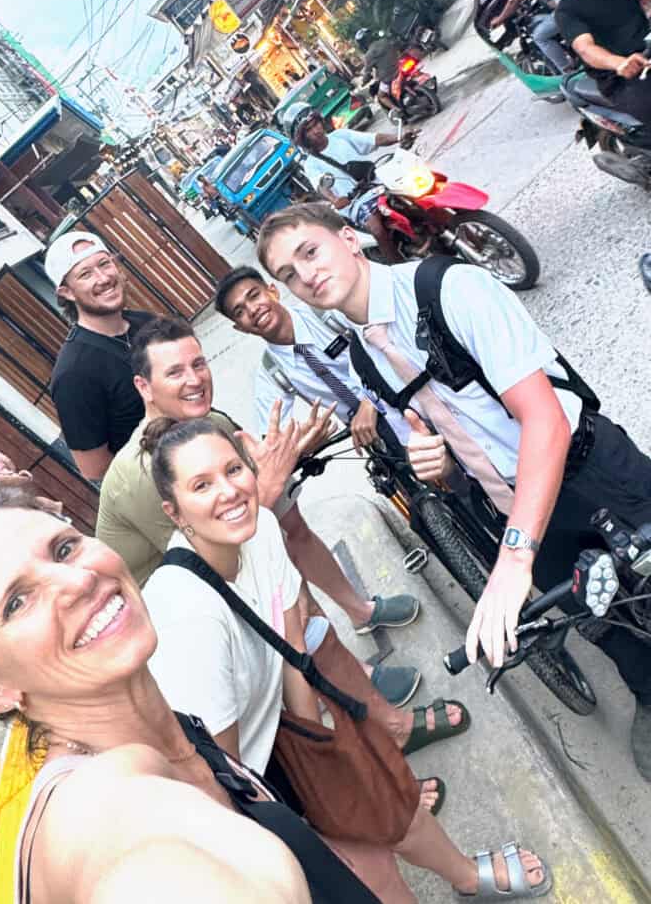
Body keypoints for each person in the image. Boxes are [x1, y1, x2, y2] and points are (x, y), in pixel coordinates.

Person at [256, 201, 651, 781]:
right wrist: (438, 463)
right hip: (508, 503)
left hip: (587, 468)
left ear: (349, 238)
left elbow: (545, 421)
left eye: (310, 252)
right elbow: (443, 446)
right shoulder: (364, 358)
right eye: (288, 274)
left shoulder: (450, 288)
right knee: (593, 614)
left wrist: (514, 558)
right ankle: (646, 690)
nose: (306, 275)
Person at [143, 418, 552, 901]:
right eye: (202, 485)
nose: (229, 492)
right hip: (239, 782)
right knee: (368, 873)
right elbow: (222, 775)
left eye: (233, 469)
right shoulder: (189, 615)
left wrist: (324, 756)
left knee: (391, 798)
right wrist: (300, 828)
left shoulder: (262, 530)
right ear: (175, 513)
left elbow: (293, 648)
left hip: (282, 728)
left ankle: (466, 876)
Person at [0, 490, 392, 904]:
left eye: (64, 549)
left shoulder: (171, 725)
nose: (78, 581)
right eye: (17, 603)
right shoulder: (96, 816)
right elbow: (141, 864)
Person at [96, 317, 424, 707]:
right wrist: (267, 489)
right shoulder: (142, 471)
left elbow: (264, 495)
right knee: (275, 579)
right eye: (175, 372)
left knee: (291, 528)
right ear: (144, 387)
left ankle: (360, 613)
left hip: (224, 549)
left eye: (198, 364)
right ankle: (350, 687)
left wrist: (293, 452)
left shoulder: (211, 422)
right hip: (178, 614)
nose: (195, 379)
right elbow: (220, 561)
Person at [214, 265, 414, 453]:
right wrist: (301, 446)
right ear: (240, 328)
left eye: (254, 295)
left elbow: (390, 337)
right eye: (239, 312)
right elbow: (272, 442)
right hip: (371, 434)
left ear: (273, 291)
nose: (252, 309)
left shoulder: (326, 311)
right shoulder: (272, 372)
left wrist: (370, 400)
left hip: (407, 394)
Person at [45, 230, 154, 483]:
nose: (103, 278)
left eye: (104, 264)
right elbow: (94, 469)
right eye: (85, 274)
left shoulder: (150, 324)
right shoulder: (73, 374)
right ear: (67, 292)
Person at [282, 101, 416, 266]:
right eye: (309, 130)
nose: (316, 130)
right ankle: (399, 267)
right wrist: (335, 199)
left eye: (315, 123)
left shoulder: (341, 136)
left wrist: (399, 137)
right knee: (377, 228)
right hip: (355, 203)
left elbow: (374, 139)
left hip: (377, 184)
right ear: (303, 139)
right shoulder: (311, 164)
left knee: (413, 193)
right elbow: (321, 185)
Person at [551, 0, 651, 124]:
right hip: (620, 79)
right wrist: (619, 63)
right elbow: (586, 49)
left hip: (647, 51)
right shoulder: (567, 11)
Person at [355, 28, 401, 113]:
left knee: (381, 96)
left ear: (362, 44)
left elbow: (367, 73)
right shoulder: (384, 41)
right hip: (400, 66)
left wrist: (363, 82)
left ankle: (397, 110)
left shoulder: (369, 55)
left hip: (389, 77)